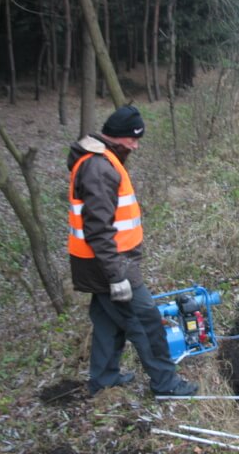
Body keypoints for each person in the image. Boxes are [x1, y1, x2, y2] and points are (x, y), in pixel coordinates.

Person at [67, 105, 198, 397]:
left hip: (99, 263)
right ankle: (166, 384)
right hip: (111, 265)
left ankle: (103, 378)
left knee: (106, 321)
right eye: (132, 140)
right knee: (145, 321)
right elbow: (98, 229)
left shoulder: (101, 161)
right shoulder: (99, 168)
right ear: (116, 137)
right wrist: (116, 277)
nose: (135, 147)